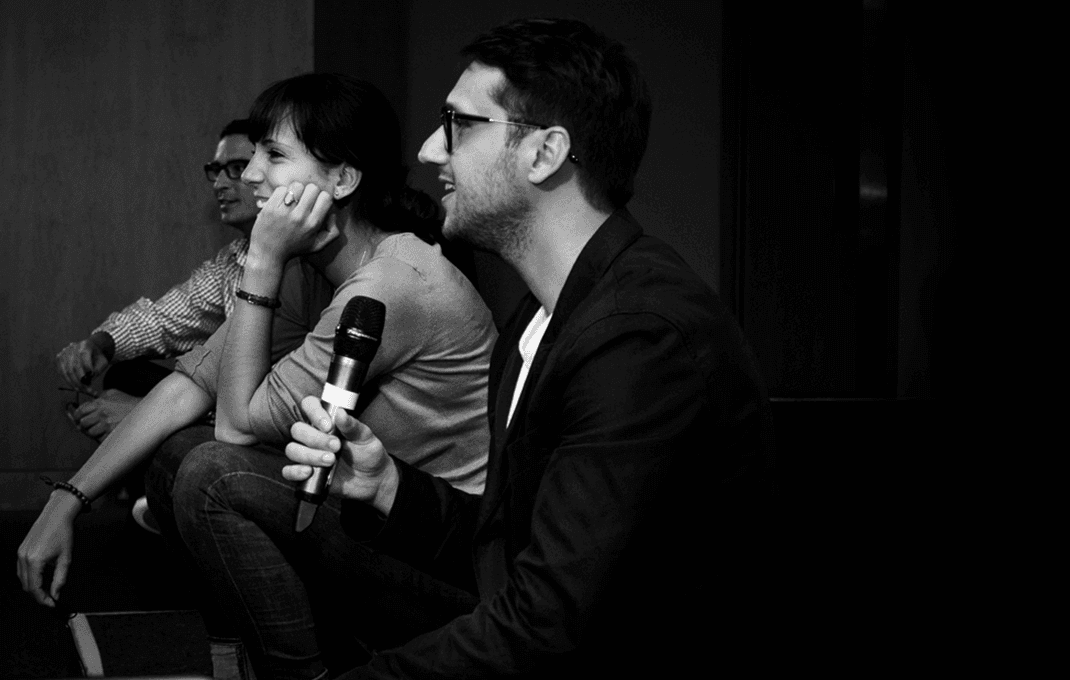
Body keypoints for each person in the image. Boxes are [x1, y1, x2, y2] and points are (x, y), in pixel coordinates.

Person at [281, 18, 776, 678]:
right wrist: (387, 487)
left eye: (459, 124)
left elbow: (546, 627)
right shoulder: (537, 321)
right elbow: (515, 553)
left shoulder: (640, 337)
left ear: (543, 154)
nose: (430, 151)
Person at [153, 73, 498, 679]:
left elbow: (235, 429)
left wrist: (262, 258)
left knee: (209, 472)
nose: (251, 173)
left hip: (450, 569)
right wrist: (69, 499)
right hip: (378, 518)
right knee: (175, 453)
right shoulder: (327, 269)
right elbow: (201, 380)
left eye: (274, 155)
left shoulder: (389, 286)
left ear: (342, 180)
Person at [56, 119, 266, 442]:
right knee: (125, 373)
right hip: (226, 407)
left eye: (237, 167)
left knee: (152, 407)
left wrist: (144, 414)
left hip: (262, 427)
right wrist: (100, 345)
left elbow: (270, 399)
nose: (219, 184)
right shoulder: (233, 259)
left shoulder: (297, 265)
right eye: (216, 170)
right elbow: (162, 320)